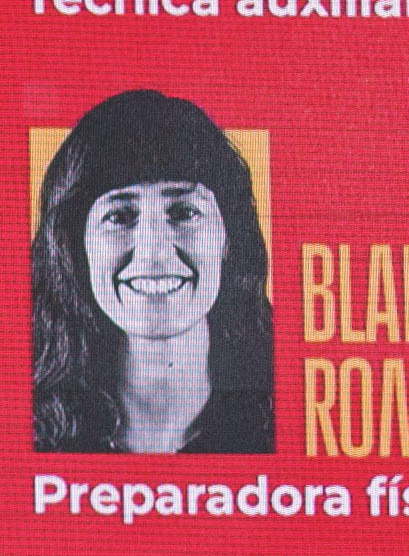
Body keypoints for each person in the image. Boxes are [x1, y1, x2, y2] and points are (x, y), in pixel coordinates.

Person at [23, 91, 276, 459]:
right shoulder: (21, 421)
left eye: (184, 212)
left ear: (229, 239)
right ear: (75, 248)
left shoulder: (290, 409)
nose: (155, 251)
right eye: (120, 216)